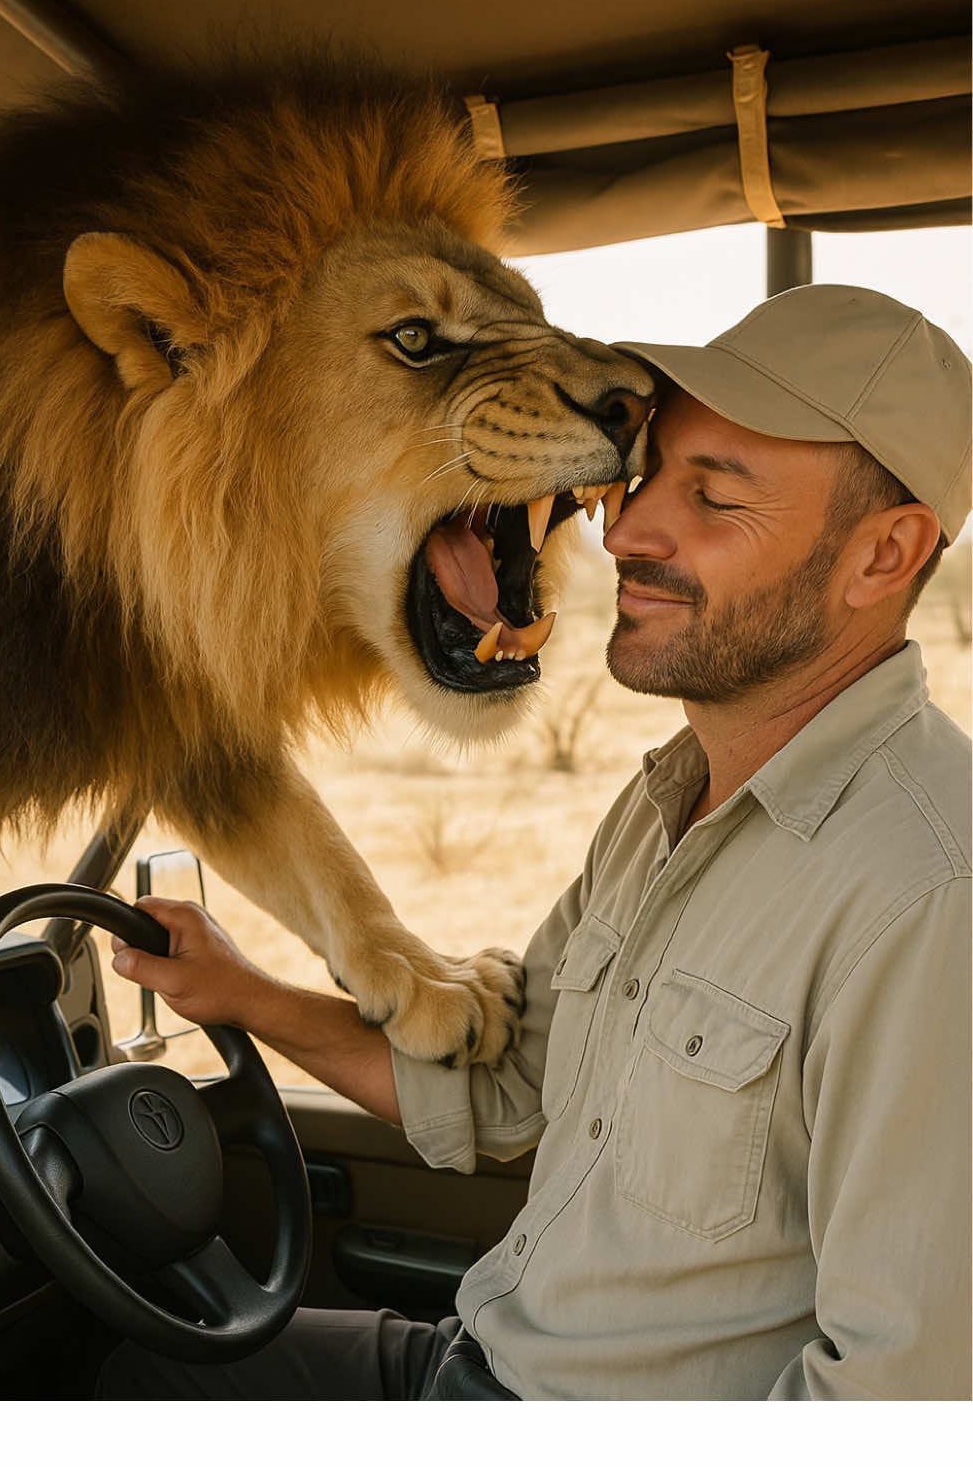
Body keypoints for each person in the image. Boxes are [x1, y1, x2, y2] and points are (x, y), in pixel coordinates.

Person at [99, 284, 971, 1401]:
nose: (628, 531)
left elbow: (904, 1399)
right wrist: (244, 994)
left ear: (882, 557)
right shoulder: (667, 802)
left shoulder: (931, 891)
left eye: (713, 499)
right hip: (485, 1359)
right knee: (127, 1363)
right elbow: (509, 1089)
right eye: (647, 477)